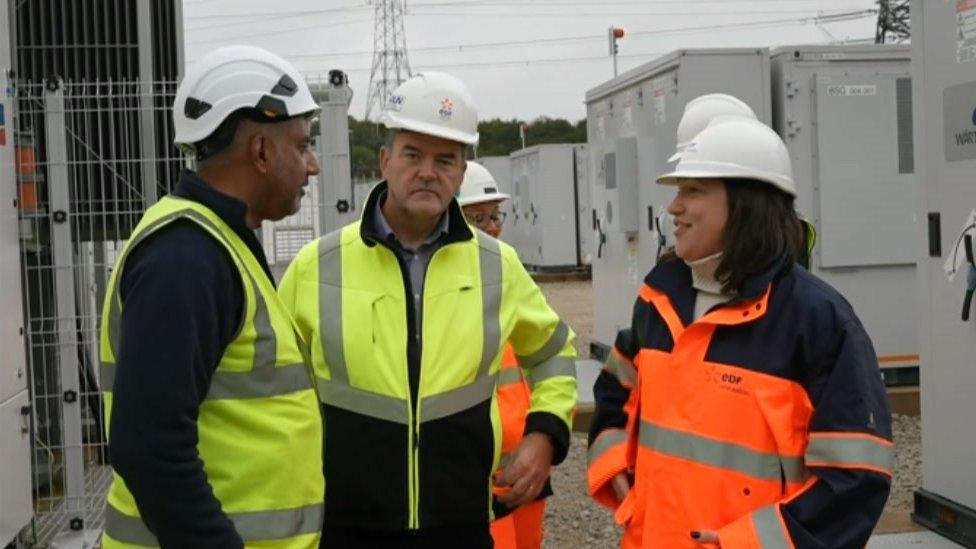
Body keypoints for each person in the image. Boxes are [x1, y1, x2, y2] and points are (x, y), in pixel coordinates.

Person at [278, 72, 578, 549]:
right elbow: (274, 393)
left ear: (461, 174)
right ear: (385, 161)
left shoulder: (497, 265)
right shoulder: (317, 267)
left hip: (461, 523)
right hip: (344, 527)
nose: (427, 172)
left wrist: (545, 435)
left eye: (445, 160)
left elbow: (554, 355)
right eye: (412, 155)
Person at [587, 115, 893, 548]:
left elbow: (856, 479)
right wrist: (616, 468)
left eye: (692, 191)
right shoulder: (660, 298)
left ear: (746, 203)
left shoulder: (816, 320)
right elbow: (616, 392)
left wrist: (747, 542)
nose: (673, 207)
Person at [100, 45, 324, 548]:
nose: (311, 165)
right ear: (261, 151)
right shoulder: (186, 258)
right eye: (301, 146)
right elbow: (149, 447)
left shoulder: (215, 243)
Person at [458, 161, 551, 549]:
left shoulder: (510, 277)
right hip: (476, 480)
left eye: (495, 216)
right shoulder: (436, 293)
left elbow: (549, 356)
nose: (493, 227)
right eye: (478, 218)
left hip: (524, 472)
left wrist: (543, 437)